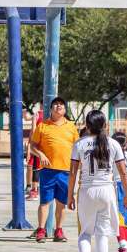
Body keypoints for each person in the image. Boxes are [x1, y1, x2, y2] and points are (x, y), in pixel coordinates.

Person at [66, 111, 127, 252]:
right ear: (105, 126)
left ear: (87, 126)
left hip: (87, 190)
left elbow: (72, 173)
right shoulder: (113, 144)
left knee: (85, 233)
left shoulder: (79, 144)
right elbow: (123, 173)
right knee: (103, 234)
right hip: (107, 191)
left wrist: (70, 195)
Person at [30, 97, 80, 243]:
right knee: (45, 202)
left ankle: (59, 230)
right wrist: (41, 154)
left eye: (61, 105)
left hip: (66, 172)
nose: (59, 106)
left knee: (61, 203)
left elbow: (78, 148)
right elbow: (32, 146)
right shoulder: (43, 126)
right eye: (56, 104)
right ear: (51, 109)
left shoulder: (71, 126)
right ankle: (41, 230)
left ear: (65, 110)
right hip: (48, 171)